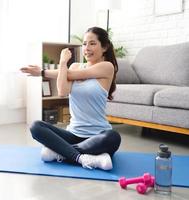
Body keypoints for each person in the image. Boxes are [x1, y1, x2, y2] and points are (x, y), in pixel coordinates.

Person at [20, 27, 121, 170]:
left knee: (113, 137)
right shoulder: (74, 66)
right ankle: (83, 157)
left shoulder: (106, 67)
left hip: (98, 136)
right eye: (85, 43)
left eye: (92, 43)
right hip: (73, 134)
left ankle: (59, 152)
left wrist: (44, 72)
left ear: (104, 47)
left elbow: (72, 75)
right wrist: (62, 63)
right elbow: (62, 91)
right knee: (36, 127)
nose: (87, 48)